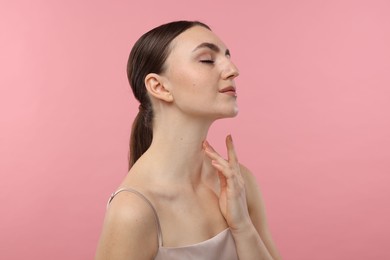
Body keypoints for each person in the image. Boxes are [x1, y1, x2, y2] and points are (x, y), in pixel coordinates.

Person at [95, 20, 281, 260]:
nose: (233, 69)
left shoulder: (238, 183)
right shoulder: (133, 211)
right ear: (159, 86)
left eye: (227, 57)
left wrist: (243, 227)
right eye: (207, 60)